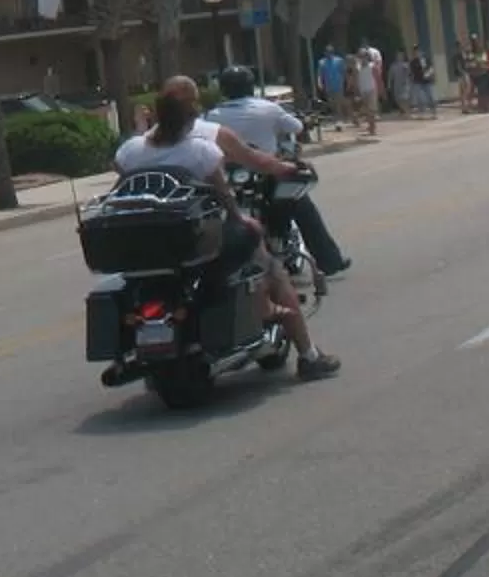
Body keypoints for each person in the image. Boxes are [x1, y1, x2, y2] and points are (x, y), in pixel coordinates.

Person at [114, 77, 339, 380]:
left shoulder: (131, 150)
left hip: (145, 245)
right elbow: (229, 190)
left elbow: (123, 179)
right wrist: (243, 217)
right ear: (192, 110)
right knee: (268, 262)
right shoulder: (202, 147)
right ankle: (308, 354)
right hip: (194, 242)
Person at [203, 64, 349, 277]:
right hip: (265, 170)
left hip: (228, 177)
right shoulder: (268, 108)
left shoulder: (211, 115)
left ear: (224, 89)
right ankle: (330, 261)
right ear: (251, 86)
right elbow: (297, 127)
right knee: (302, 205)